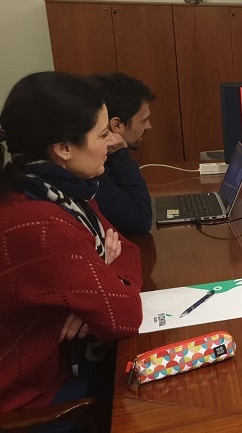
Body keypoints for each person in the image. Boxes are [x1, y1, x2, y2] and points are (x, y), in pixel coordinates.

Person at [0, 72, 144, 412]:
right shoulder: (41, 220)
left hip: (71, 361)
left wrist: (97, 283)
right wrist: (101, 282)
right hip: (39, 394)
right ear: (64, 148)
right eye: (103, 134)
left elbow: (128, 248)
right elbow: (124, 316)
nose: (113, 142)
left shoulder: (63, 193)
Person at [89, 72, 155, 235]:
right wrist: (121, 155)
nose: (149, 126)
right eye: (144, 120)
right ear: (117, 125)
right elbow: (139, 220)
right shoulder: (90, 167)